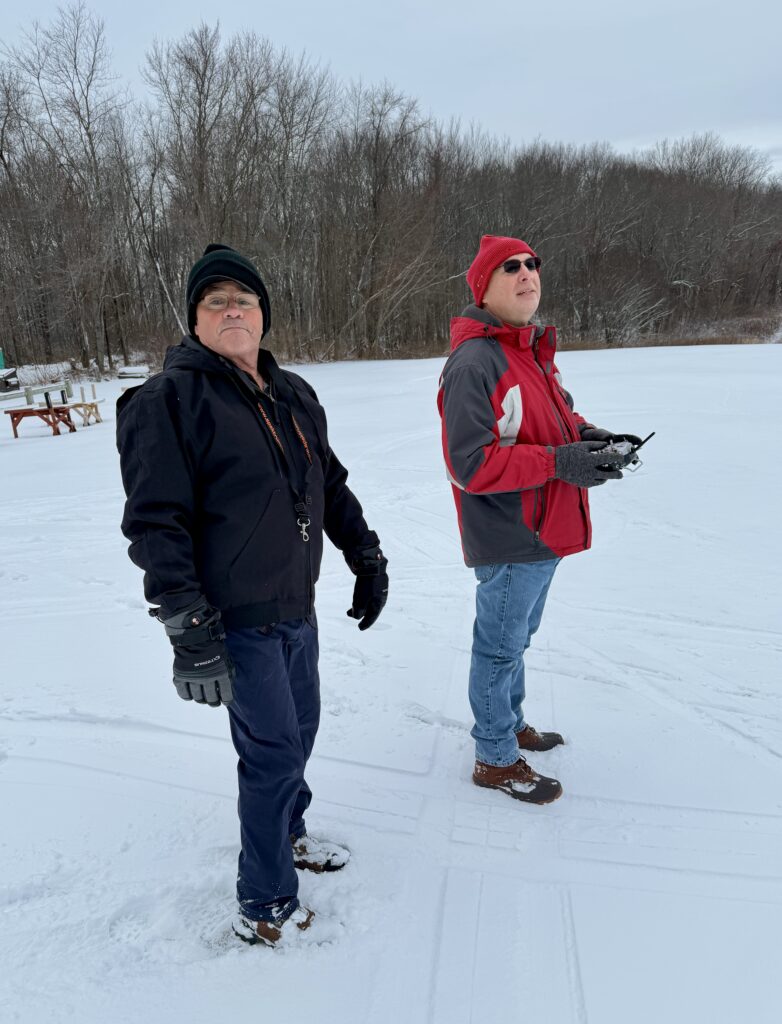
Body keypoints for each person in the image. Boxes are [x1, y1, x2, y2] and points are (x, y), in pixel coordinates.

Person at [117, 244, 388, 945]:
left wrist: (365, 554)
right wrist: (187, 625)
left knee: (300, 735)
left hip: (297, 608)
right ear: (196, 320)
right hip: (234, 619)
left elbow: (327, 484)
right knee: (269, 755)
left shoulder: (294, 394)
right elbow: (156, 522)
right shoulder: (167, 402)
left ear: (263, 314)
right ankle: (265, 903)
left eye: (245, 299)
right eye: (216, 301)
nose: (232, 309)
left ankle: (288, 832)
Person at [437, 234, 640, 804]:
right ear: (484, 286)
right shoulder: (475, 362)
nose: (527, 274)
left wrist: (592, 438)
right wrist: (561, 461)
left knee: (517, 639)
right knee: (499, 646)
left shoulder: (526, 351)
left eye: (533, 264)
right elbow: (468, 464)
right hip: (510, 533)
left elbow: (557, 417)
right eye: (511, 267)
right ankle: (495, 756)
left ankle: (511, 722)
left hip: (542, 528)